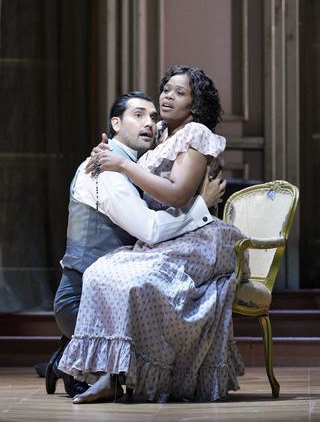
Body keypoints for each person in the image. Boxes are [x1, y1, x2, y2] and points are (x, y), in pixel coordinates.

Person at [59, 66, 250, 403]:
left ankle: (148, 373)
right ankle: (109, 374)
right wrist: (111, 156)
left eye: (180, 92)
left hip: (197, 236)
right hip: (165, 235)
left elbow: (176, 195)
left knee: (139, 280)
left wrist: (121, 164)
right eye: (166, 89)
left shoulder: (197, 134)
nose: (167, 96)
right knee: (104, 271)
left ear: (195, 106)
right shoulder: (162, 136)